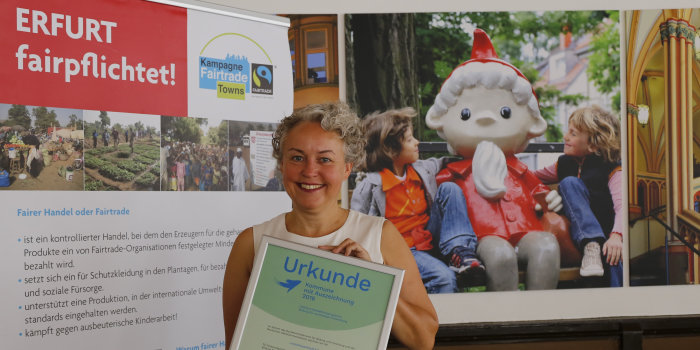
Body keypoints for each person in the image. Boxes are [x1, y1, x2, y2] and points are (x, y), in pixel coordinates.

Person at [222, 102, 438, 350]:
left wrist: (373, 281)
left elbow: (423, 339)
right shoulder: (250, 243)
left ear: (347, 168)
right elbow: (235, 344)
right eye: (297, 157)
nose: (310, 170)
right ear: (281, 165)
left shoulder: (380, 235)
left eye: (325, 159)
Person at [425, 29, 562, 291]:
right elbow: (444, 204)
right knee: (500, 255)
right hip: (482, 237)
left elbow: (538, 191)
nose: (486, 119)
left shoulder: (519, 170)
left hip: (526, 230)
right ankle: (504, 323)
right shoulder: (453, 173)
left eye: (505, 112)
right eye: (466, 113)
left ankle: (540, 320)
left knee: (546, 246)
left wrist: (549, 199)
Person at [351, 108, 483, 293]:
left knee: (449, 189)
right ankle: (439, 321)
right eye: (409, 139)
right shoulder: (370, 187)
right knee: (444, 278)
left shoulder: (421, 169)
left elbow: (447, 161)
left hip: (429, 239)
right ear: (390, 150)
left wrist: (477, 150)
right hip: (402, 251)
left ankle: (459, 251)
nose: (417, 142)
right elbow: (358, 228)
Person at [533, 105, 623, 287]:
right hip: (574, 241)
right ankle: (590, 245)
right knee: (569, 183)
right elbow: (531, 176)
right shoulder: (564, 164)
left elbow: (621, 207)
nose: (566, 137)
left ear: (593, 144)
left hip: (605, 239)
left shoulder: (612, 168)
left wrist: (616, 236)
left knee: (613, 255)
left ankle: (617, 303)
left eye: (573, 134)